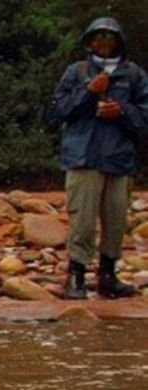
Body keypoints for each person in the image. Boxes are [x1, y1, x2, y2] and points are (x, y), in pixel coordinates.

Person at [51, 17, 148, 299]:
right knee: (82, 219)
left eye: (110, 37)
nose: (104, 43)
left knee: (116, 219)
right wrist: (88, 92)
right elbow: (58, 111)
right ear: (89, 41)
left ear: (119, 42)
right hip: (83, 156)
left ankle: (108, 275)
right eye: (98, 37)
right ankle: (76, 275)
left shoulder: (134, 75)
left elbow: (144, 116)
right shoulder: (77, 72)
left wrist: (122, 112)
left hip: (119, 159)